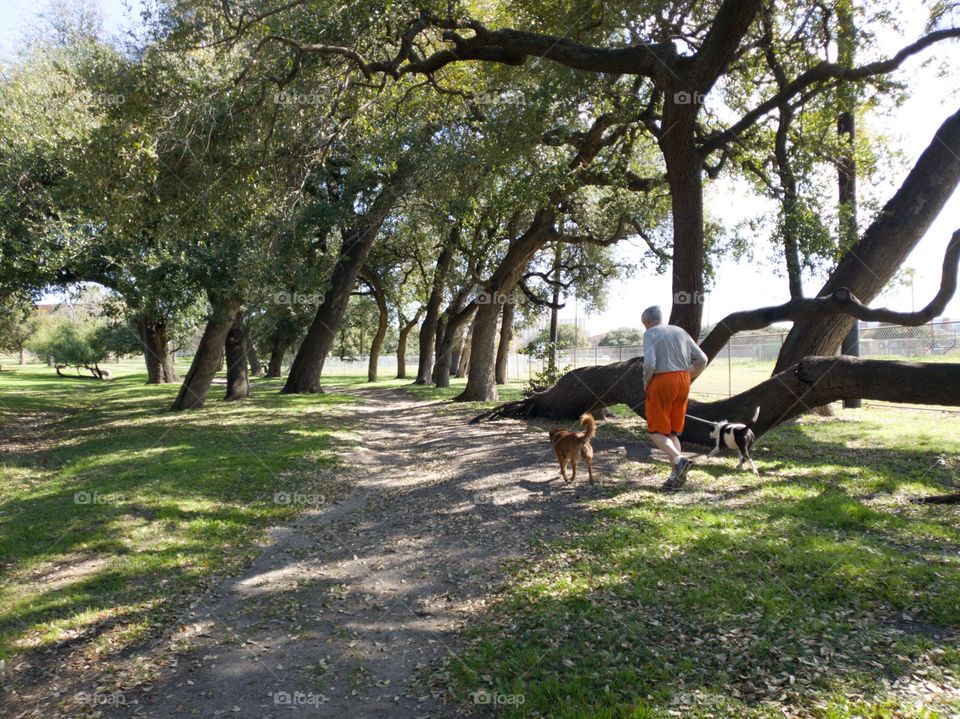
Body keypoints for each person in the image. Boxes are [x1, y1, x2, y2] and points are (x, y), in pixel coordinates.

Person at [641, 305, 708, 490]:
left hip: (662, 381)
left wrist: (647, 383)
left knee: (655, 431)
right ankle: (675, 476)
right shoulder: (680, 331)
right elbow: (702, 359)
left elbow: (650, 363)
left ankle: (678, 460)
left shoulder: (650, 333)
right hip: (683, 380)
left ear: (646, 322)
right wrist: (689, 375)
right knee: (671, 432)